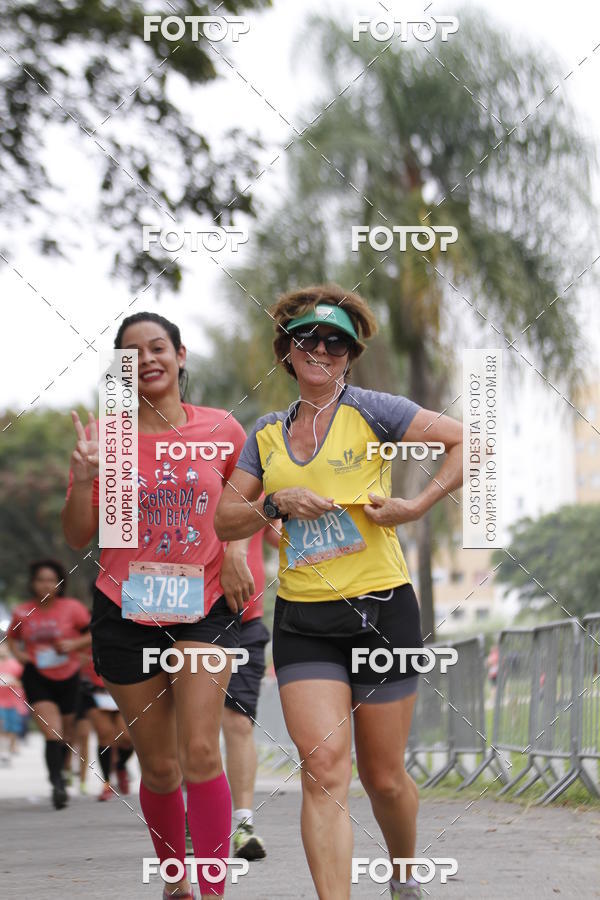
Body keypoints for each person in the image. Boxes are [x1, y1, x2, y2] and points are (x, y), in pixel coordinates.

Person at [215, 285, 463, 900]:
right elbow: (225, 518)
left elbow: (468, 439)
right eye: (308, 339)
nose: (321, 349)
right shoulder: (266, 434)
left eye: (336, 341)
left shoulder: (375, 410)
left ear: (349, 356)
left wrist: (416, 505)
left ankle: (404, 877)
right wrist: (275, 500)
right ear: (287, 351)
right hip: (304, 618)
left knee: (382, 776)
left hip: (382, 610)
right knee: (323, 769)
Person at [62, 312, 254, 900]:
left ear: (180, 355)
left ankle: (214, 891)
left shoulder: (222, 430)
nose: (147, 359)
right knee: (161, 766)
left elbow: (247, 502)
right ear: (122, 367)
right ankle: (176, 883)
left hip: (205, 605)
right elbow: (77, 537)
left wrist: (240, 552)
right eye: (133, 353)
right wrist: (82, 476)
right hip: (125, 608)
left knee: (200, 749)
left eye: (158, 347)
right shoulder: (109, 437)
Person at [6, 559, 91, 809]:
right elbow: (12, 638)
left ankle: (62, 772)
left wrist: (73, 645)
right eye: (41, 579)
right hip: (37, 676)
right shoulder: (22, 611)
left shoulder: (72, 608)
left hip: (69, 675)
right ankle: (57, 784)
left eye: (51, 580)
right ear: (32, 583)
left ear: (60, 584)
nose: (46, 584)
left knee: (66, 732)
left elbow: (92, 632)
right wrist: (20, 656)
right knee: (51, 731)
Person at [222, 522, 280, 861]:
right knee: (188, 727)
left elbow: (280, 536)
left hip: (245, 620)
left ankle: (243, 825)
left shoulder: (254, 483)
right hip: (184, 619)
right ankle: (189, 817)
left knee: (239, 722)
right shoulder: (187, 475)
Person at [76, 646, 135, 800]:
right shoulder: (85, 628)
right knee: (105, 735)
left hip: (120, 686)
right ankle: (107, 783)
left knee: (128, 738)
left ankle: (120, 765)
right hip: (93, 690)